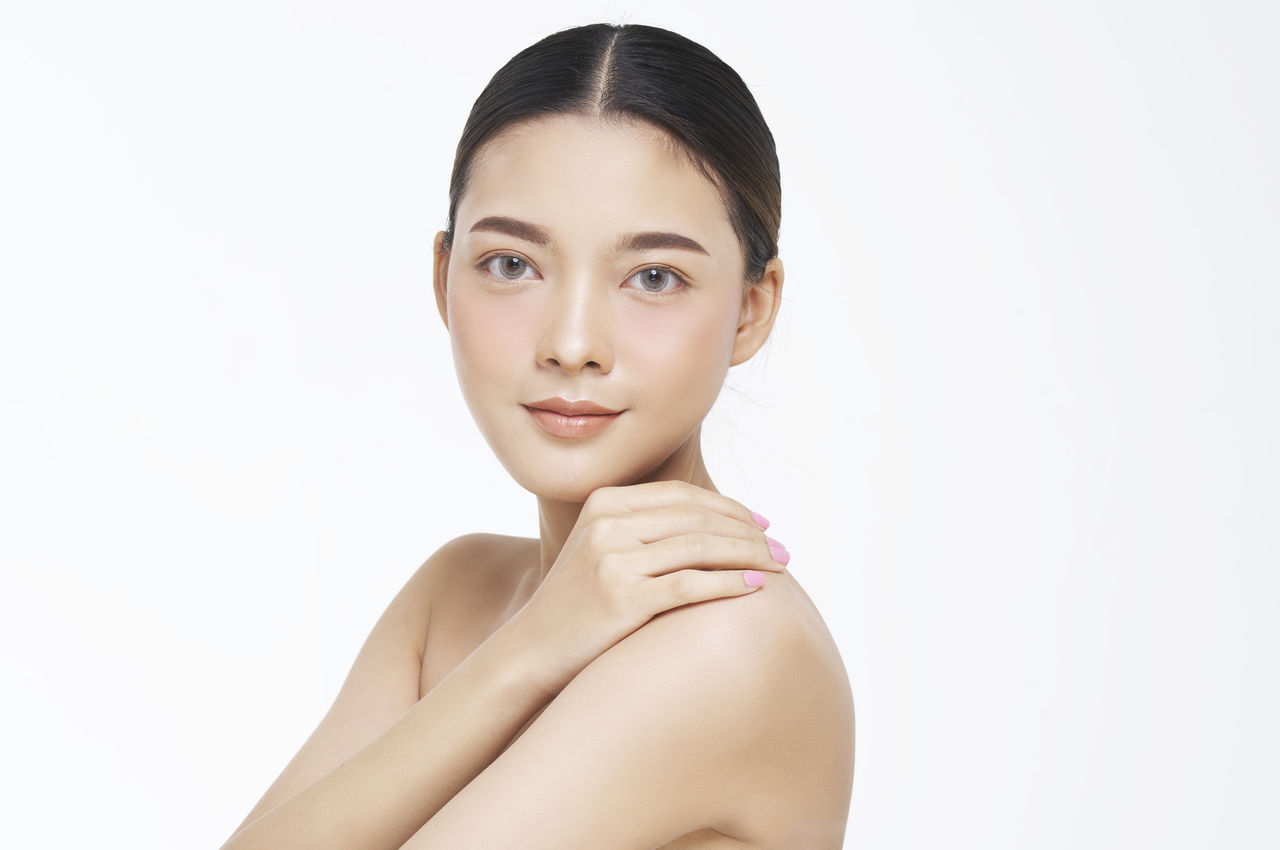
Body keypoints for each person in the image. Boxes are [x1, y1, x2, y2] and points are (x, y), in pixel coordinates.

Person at [223, 22, 854, 849]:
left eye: (654, 276)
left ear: (751, 306)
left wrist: (532, 647)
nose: (572, 341)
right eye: (513, 264)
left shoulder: (732, 637)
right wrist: (531, 646)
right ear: (443, 279)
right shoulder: (458, 593)